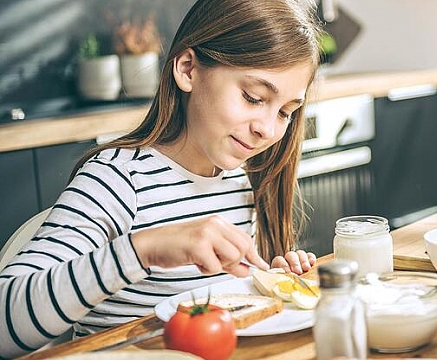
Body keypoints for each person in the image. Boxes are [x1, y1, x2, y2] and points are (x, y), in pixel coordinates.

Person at [0, 0, 323, 357]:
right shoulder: (117, 180)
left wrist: (267, 285)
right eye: (253, 97)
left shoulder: (238, 181)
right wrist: (144, 249)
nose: (267, 129)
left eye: (285, 112)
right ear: (187, 69)